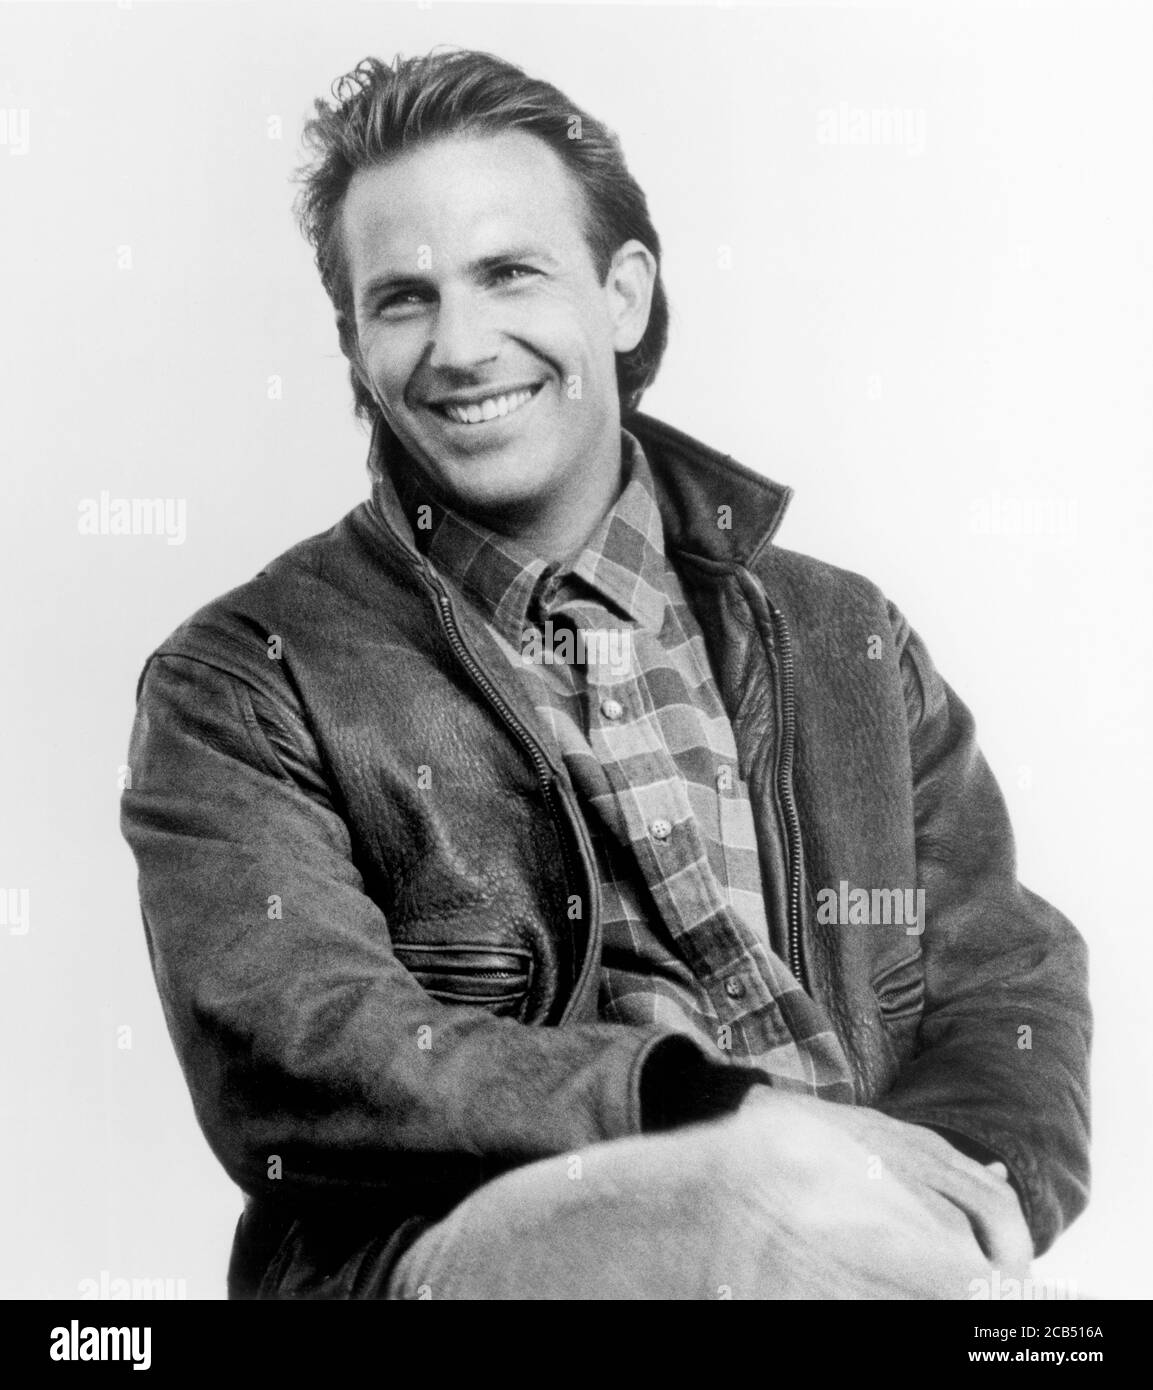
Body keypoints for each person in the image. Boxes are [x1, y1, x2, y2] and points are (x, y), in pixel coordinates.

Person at [120, 49, 1090, 1300]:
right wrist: (711, 1119)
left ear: (622, 295)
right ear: (354, 344)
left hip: (866, 1263)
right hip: (460, 1256)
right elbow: (298, 1051)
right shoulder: (243, 678)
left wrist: (949, 1184)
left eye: (509, 272)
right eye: (402, 299)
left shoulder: (845, 635)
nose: (461, 346)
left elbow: (1010, 982)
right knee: (776, 1214)